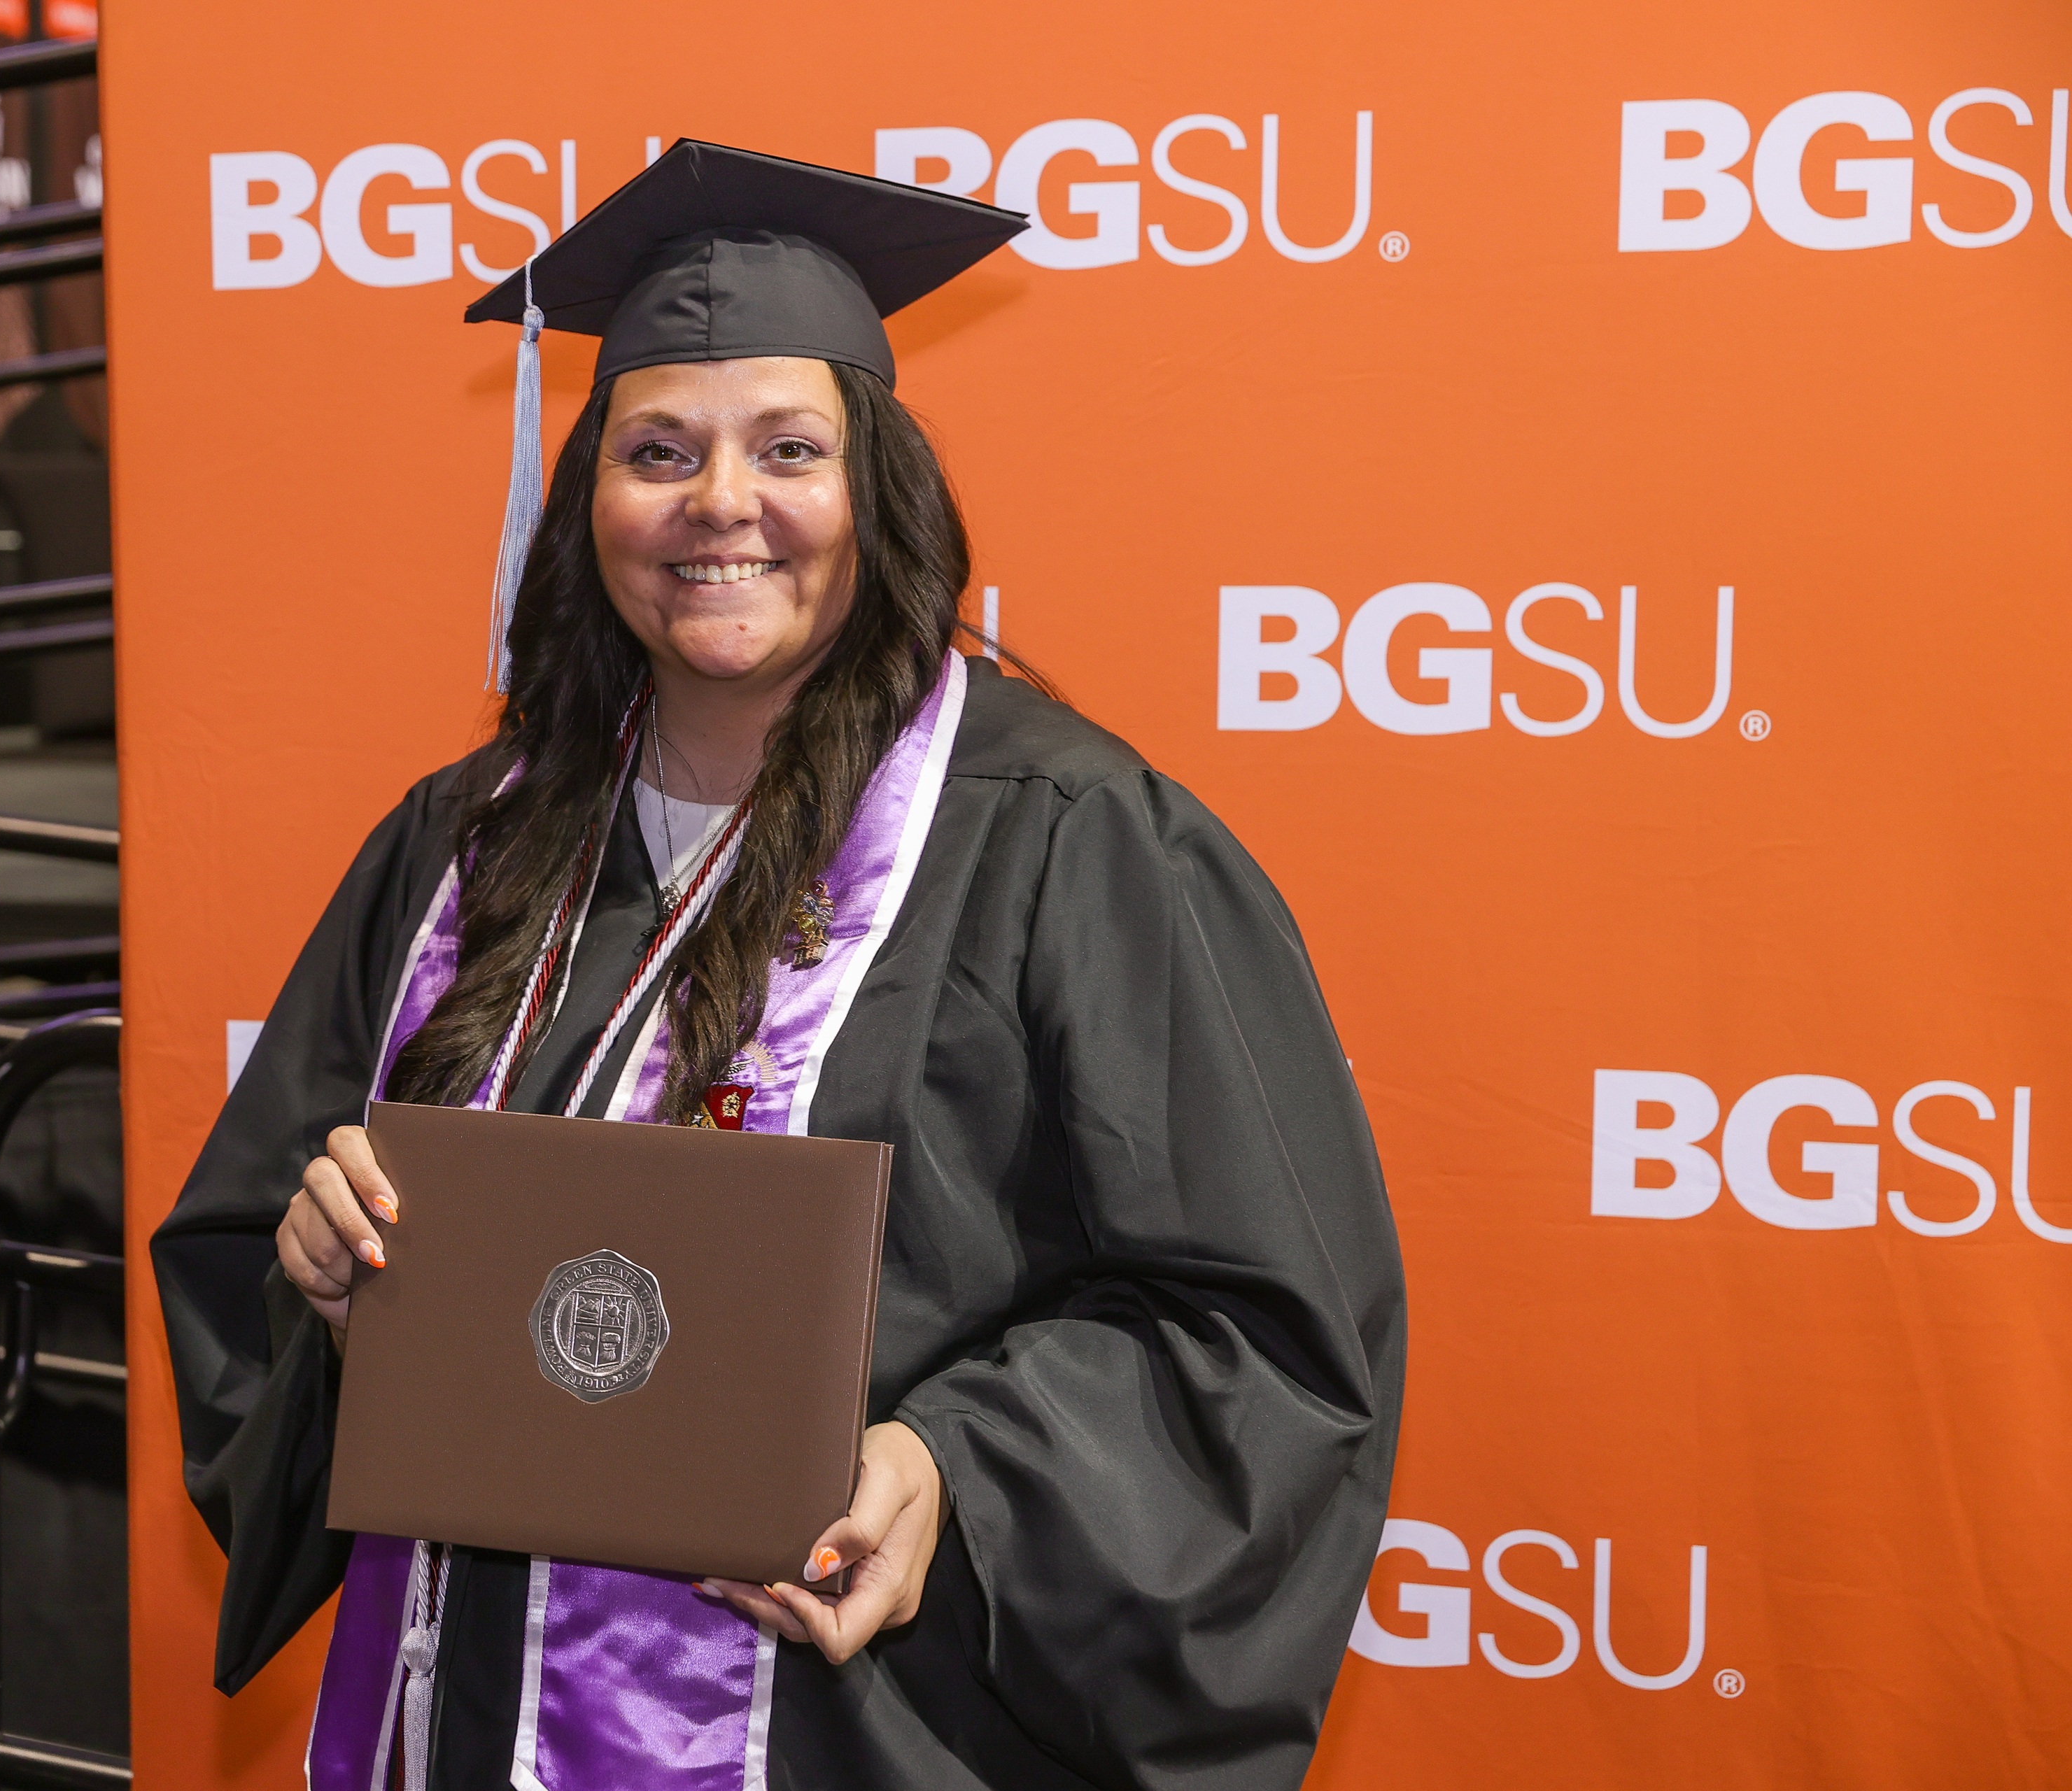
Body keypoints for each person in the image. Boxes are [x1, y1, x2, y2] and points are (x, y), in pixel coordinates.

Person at [153, 140, 1406, 1791]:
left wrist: (952, 1466)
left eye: (787, 449)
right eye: (656, 449)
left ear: (874, 488)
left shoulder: (1068, 838)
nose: (719, 504)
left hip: (853, 1733)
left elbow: (1260, 1339)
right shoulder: (466, 840)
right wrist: (321, 1282)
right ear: (586, 493)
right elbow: (254, 1241)